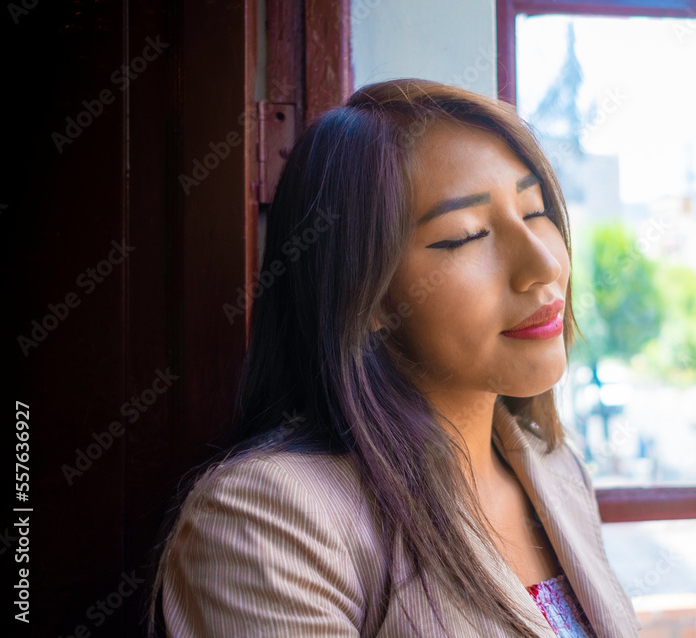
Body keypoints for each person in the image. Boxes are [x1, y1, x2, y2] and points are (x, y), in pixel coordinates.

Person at [145, 78, 642, 637]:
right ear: (367, 294)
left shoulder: (556, 468)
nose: (544, 266)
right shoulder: (273, 520)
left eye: (533, 211)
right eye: (466, 235)